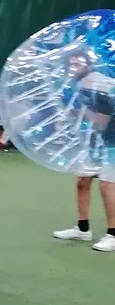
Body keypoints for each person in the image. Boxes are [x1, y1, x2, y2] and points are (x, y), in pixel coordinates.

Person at [53, 53, 115, 252]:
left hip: (113, 141)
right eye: (70, 64)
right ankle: (82, 229)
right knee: (82, 181)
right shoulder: (78, 86)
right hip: (98, 141)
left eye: (78, 64)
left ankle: (113, 235)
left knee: (107, 187)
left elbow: (100, 121)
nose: (73, 67)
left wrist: (73, 109)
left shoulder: (98, 86)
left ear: (89, 65)